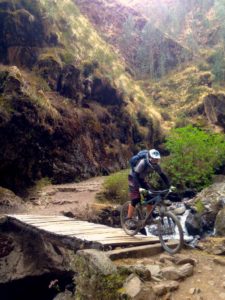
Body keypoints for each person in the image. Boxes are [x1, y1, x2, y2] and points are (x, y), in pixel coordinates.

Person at [127, 149, 170, 228]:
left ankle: (148, 218)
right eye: (154, 159)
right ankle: (128, 219)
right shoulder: (143, 162)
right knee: (135, 199)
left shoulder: (156, 165)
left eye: (157, 159)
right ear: (150, 158)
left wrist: (169, 186)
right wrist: (139, 188)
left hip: (142, 179)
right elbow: (135, 175)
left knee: (150, 197)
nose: (156, 161)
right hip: (133, 178)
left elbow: (163, 175)